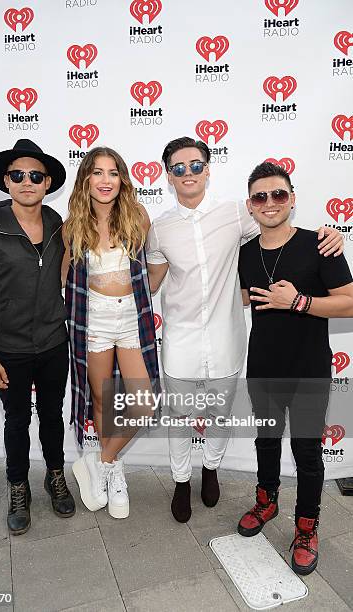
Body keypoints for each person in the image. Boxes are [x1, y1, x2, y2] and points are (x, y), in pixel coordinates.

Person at [146, 136, 344, 524]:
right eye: (179, 168)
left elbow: (282, 236)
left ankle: (211, 469)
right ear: (168, 176)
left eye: (196, 165)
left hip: (227, 337)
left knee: (220, 413)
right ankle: (182, 480)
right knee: (179, 415)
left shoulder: (239, 214)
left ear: (208, 169)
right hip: (180, 339)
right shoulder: (159, 229)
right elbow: (150, 282)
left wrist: (332, 235)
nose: (189, 173)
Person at [237, 161, 353, 575]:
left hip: (309, 369)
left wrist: (300, 302)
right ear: (250, 206)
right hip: (263, 367)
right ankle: (266, 500)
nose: (270, 203)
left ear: (292, 199)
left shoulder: (320, 244)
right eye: (260, 197)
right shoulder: (245, 253)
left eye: (278, 194)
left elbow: (350, 302)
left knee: (307, 450)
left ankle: (307, 527)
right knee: (266, 440)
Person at [0, 139, 75, 536]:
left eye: (35, 176)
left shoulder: (59, 226)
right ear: (6, 181)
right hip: (9, 348)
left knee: (51, 414)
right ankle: (18, 485)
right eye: (17, 175)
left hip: (53, 343)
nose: (26, 182)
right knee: (15, 420)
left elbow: (64, 277)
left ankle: (55, 475)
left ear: (47, 183)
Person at [63, 146, 159, 519]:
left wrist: (146, 295)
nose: (106, 180)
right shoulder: (72, 225)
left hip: (131, 319)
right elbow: (65, 278)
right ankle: (113, 470)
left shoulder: (138, 217)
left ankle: (100, 461)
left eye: (113, 173)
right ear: (86, 178)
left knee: (143, 404)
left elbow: (155, 265)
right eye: (98, 172)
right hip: (94, 319)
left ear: (122, 179)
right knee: (103, 402)